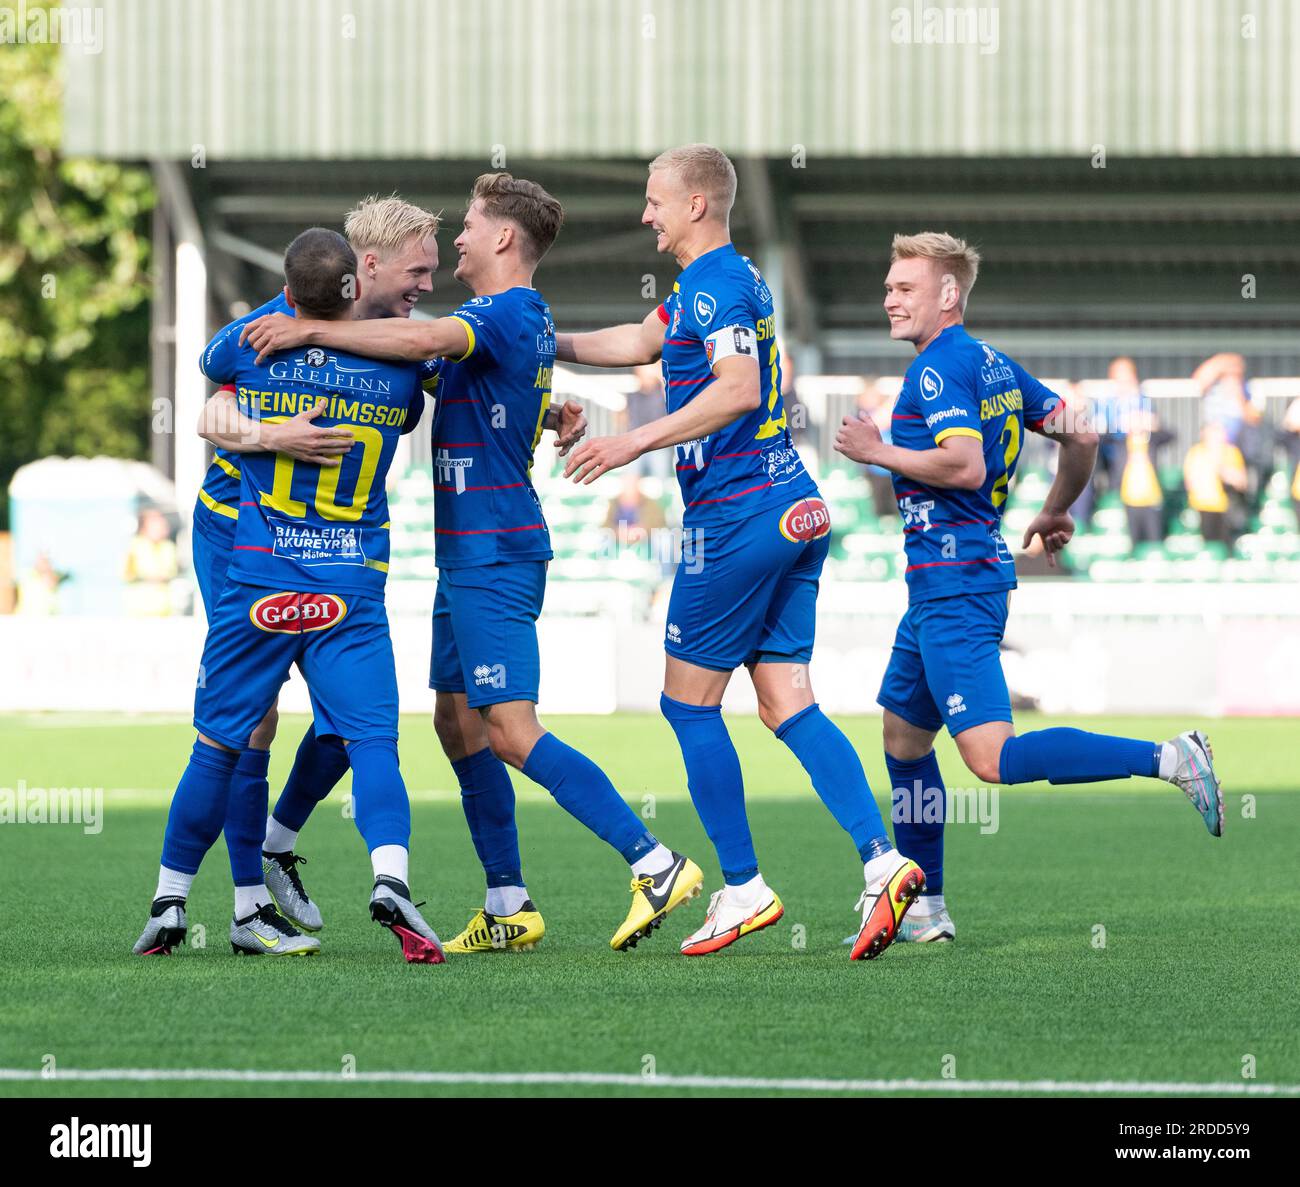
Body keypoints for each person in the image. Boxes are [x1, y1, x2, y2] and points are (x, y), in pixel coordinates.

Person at [241, 173, 701, 955]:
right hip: (467, 552)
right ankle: (508, 899)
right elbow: (471, 375)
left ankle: (654, 861)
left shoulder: (505, 309)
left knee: (513, 731)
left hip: (496, 549)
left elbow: (427, 344)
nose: (455, 241)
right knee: (457, 723)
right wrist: (547, 406)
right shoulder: (498, 320)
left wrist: (309, 333)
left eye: (470, 225)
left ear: (502, 239)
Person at [558, 144, 921, 961]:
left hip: (738, 515)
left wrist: (631, 442)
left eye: (656, 200)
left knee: (687, 705)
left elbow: (739, 386)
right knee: (788, 702)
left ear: (695, 205)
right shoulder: (716, 281)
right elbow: (636, 344)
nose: (645, 214)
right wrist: (541, 341)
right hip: (792, 504)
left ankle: (744, 885)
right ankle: (884, 860)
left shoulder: (716, 284)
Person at [833, 231, 1225, 945]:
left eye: (904, 287)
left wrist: (876, 450)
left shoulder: (935, 370)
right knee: (903, 736)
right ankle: (925, 906)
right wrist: (1054, 509)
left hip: (956, 584)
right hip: (944, 583)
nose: (889, 297)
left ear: (948, 294)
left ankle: (1172, 757)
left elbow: (965, 466)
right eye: (888, 285)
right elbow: (1081, 433)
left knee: (992, 758)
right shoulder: (994, 363)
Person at [133, 228, 446, 962]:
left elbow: (211, 405)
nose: (423, 285)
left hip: (262, 576)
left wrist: (272, 430)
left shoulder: (250, 346)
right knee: (369, 737)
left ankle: (172, 896)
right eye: (418, 271)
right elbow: (429, 383)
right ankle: (377, 877)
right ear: (357, 280)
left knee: (218, 741)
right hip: (348, 581)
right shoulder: (400, 368)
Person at [1183, 422, 1247, 548]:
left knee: (1225, 546)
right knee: (1208, 546)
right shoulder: (1196, 452)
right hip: (1203, 507)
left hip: (1227, 508)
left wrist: (1222, 469)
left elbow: (1242, 482)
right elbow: (1190, 481)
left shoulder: (1231, 452)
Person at [123, 508, 179, 616]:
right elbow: (127, 574)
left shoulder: (168, 547)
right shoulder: (134, 546)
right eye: (155, 524)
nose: (160, 527)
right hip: (139, 610)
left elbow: (171, 572)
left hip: (164, 610)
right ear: (144, 527)